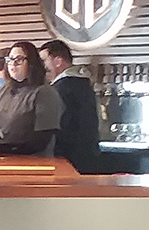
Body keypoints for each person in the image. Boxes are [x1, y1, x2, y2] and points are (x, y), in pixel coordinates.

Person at [0, 41, 63, 156]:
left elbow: (40, 141)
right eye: (10, 59)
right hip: (1, 159)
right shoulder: (3, 90)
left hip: (33, 162)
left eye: (19, 59)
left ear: (31, 63)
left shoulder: (45, 93)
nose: (13, 64)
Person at [40, 39, 103, 174]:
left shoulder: (62, 88)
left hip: (68, 161)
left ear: (58, 61)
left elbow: (58, 128)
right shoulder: (81, 84)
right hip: (87, 158)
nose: (41, 67)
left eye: (44, 61)